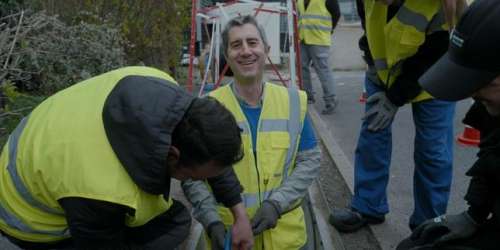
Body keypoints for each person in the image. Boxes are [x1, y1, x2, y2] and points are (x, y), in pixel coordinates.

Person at [0, 66, 254, 250]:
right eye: (192, 177)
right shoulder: (100, 190)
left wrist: (239, 215)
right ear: (174, 155)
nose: (192, 182)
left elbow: (212, 151)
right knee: (168, 229)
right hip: (28, 222)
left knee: (172, 222)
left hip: (44, 148)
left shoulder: (157, 84)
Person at [182, 15, 321, 249]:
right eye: (236, 45)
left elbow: (310, 160)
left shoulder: (293, 102)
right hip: (230, 237)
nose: (246, 51)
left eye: (252, 42)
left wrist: (277, 204)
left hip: (286, 238)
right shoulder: (207, 108)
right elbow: (190, 175)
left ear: (266, 50)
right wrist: (211, 220)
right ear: (227, 55)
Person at [329, 0, 462, 232]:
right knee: (372, 133)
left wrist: (394, 97)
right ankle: (368, 205)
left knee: (433, 151)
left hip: (434, 75)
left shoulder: (439, 5)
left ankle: (427, 223)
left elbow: (434, 55)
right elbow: (369, 26)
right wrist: (372, 63)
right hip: (383, 72)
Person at [397, 0, 500, 249]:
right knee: (418, 243)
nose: (472, 94)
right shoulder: (492, 107)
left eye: (480, 83)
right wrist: (474, 214)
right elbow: (491, 157)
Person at [297, 0, 340, 114]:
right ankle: (308, 97)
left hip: (319, 39)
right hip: (303, 38)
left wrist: (330, 29)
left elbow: (336, 14)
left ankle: (331, 100)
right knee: (302, 68)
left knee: (322, 70)